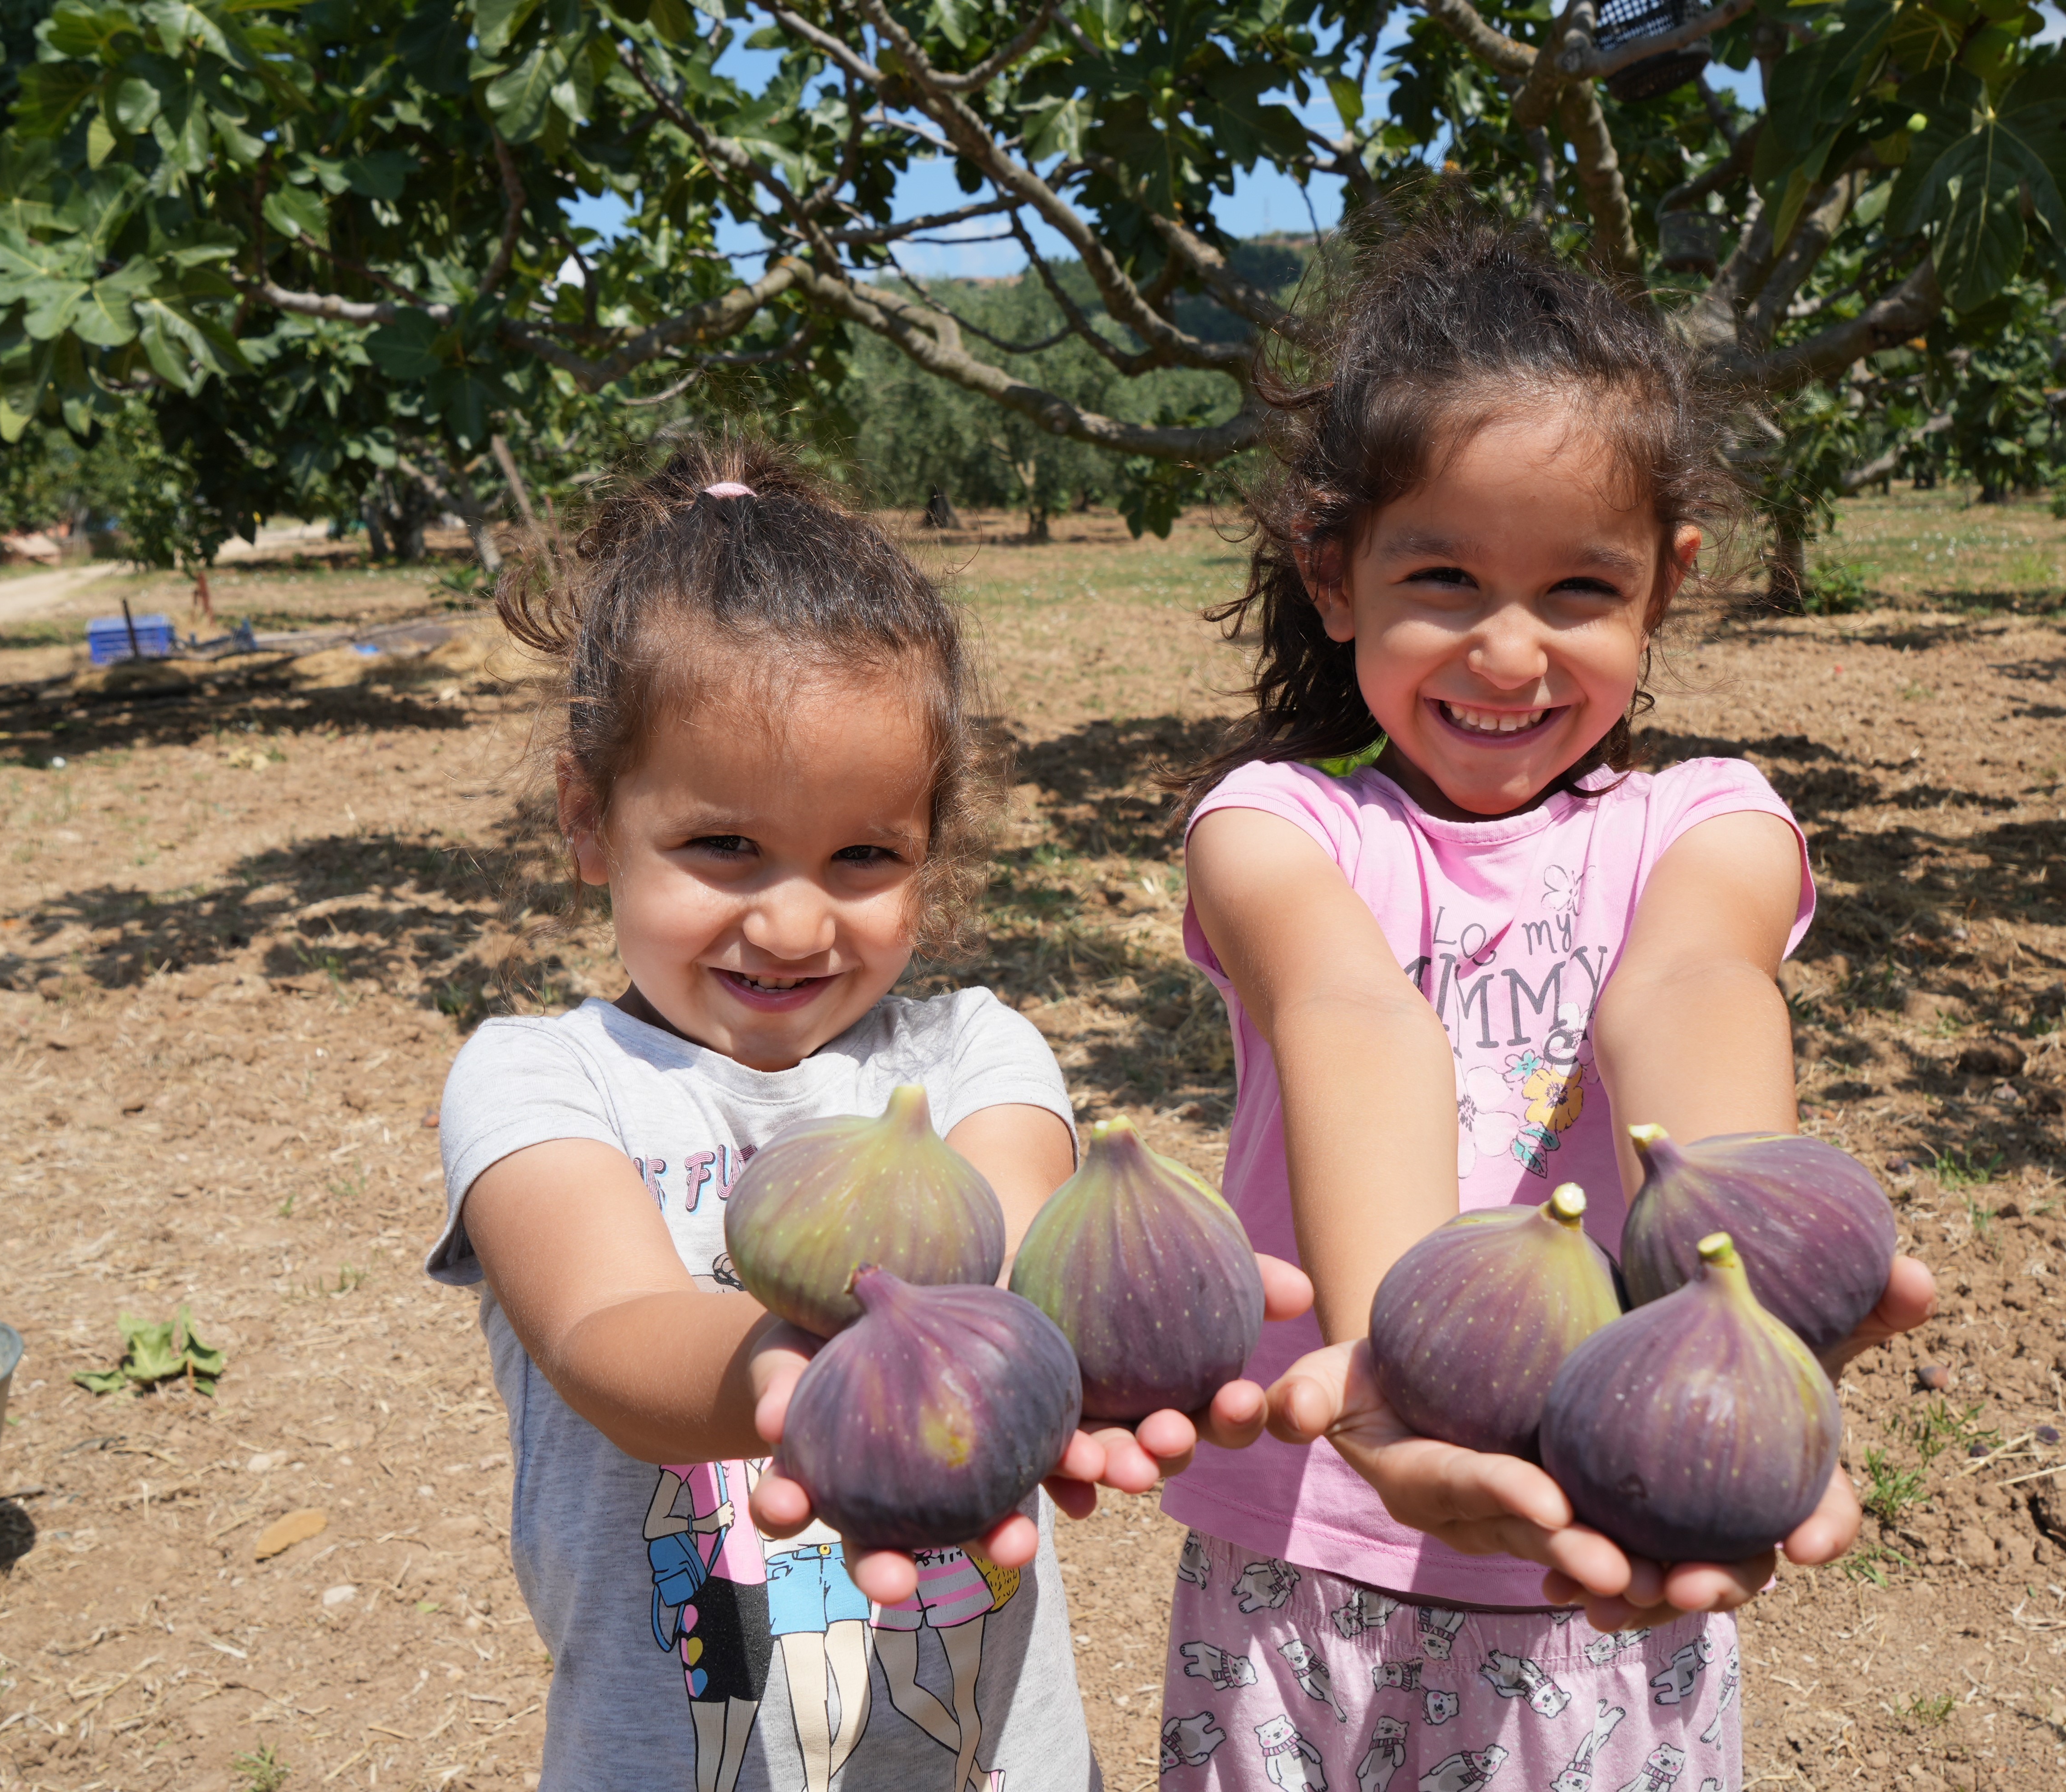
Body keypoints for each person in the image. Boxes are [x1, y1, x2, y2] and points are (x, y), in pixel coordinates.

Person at [1163, 200, 1936, 1788]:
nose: (1509, 655)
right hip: (1312, 1552)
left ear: (1667, 587)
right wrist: (1405, 1372)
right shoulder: (1278, 829)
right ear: (1334, 575)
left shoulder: (1708, 824)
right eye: (1445, 576)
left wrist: (1740, 1302)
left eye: (1579, 589)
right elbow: (1351, 1016)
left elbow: (1691, 985)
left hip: (1608, 1551)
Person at [423, 436, 1303, 1792]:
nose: (792, 921)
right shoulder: (540, 1077)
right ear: (589, 819)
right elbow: (604, 1331)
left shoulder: (969, 1057)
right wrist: (790, 1377)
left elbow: (1015, 1268)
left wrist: (1141, 1316)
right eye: (724, 847)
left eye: (863, 856)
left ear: (928, 852)